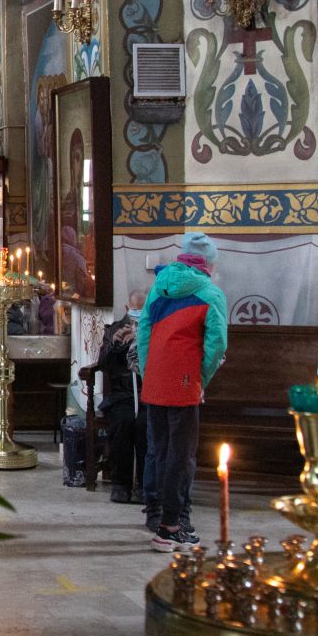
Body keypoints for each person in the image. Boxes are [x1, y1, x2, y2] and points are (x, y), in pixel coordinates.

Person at [137, 231, 229, 550]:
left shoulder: (159, 286)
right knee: (182, 454)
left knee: (160, 449)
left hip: (156, 379)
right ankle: (170, 527)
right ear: (209, 264)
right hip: (185, 379)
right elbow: (217, 345)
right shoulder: (210, 293)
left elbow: (143, 332)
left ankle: (163, 516)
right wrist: (201, 377)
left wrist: (150, 372)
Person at [84, 300, 140, 505]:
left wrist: (140, 339)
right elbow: (104, 362)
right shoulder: (115, 329)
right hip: (121, 396)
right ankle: (121, 484)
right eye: (135, 308)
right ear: (127, 308)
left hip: (146, 394)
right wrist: (115, 345)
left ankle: (144, 484)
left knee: (145, 424)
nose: (138, 313)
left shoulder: (153, 327)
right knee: (123, 423)